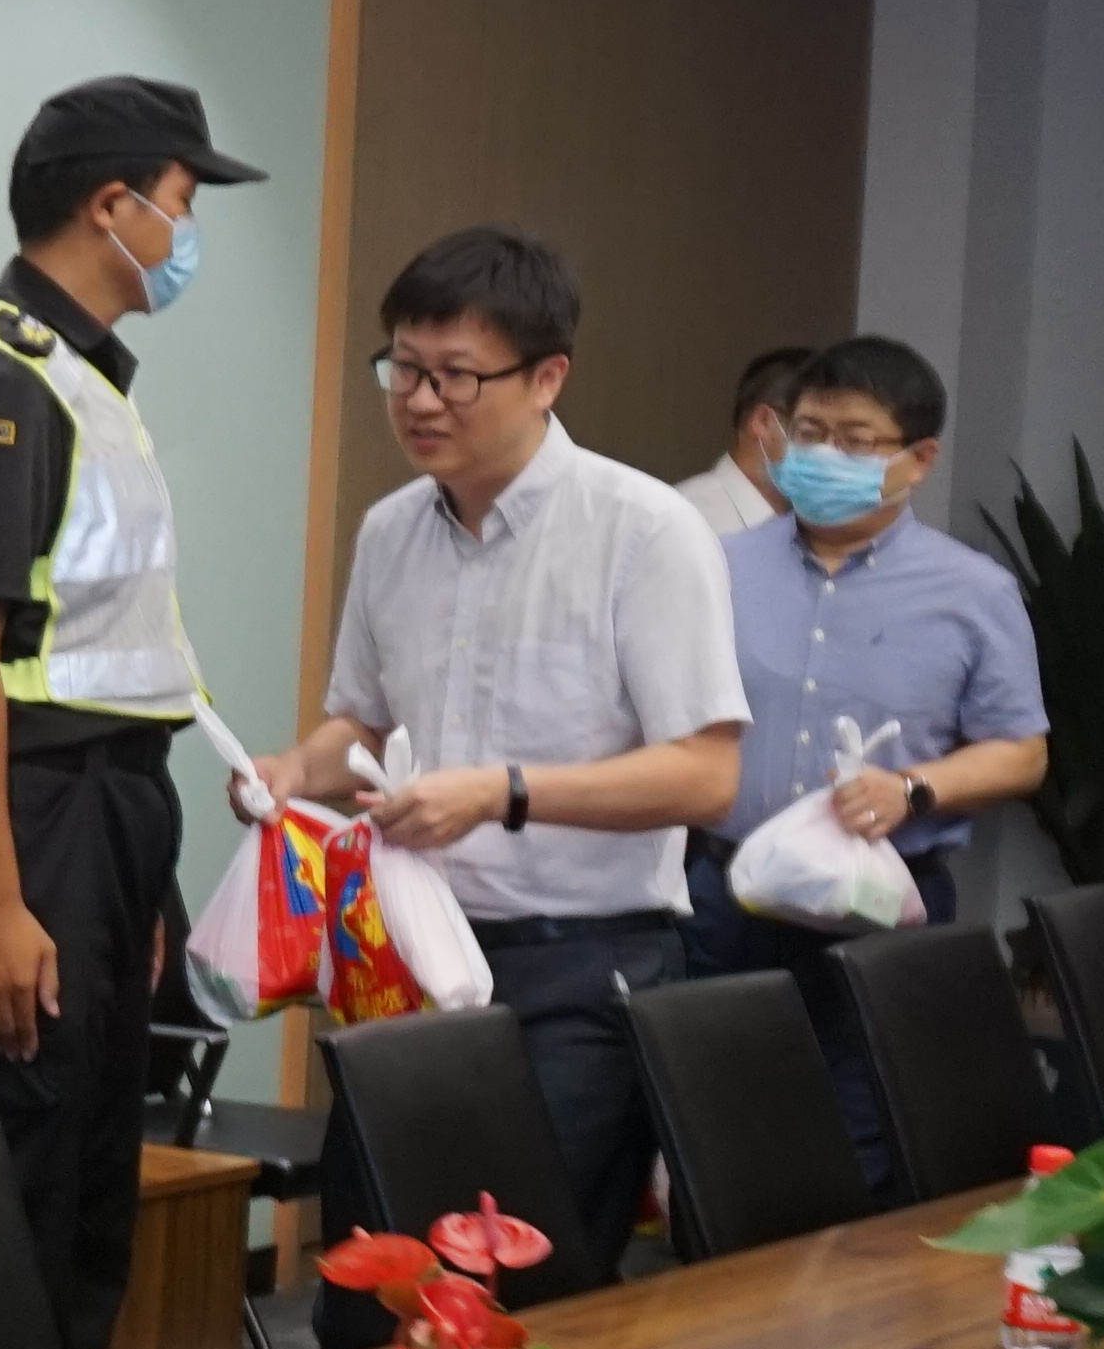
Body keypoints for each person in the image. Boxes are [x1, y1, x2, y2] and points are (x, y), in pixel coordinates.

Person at [0, 76, 265, 1349]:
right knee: (10, 1223)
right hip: (21, 826)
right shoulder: (1, 376)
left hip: (95, 823)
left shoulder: (82, 381)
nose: (188, 235)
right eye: (183, 203)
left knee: (85, 1212)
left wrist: (136, 885)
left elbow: (103, 658)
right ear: (112, 205)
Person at [258, 226, 745, 1262]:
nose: (421, 401)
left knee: (517, 1290)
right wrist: (295, 770)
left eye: (457, 376)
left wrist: (503, 792)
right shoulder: (391, 530)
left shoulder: (646, 531)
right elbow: (366, 723)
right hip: (406, 960)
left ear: (547, 377)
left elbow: (707, 774)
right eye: (403, 369)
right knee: (370, 1276)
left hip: (579, 966)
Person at [683, 332, 1049, 1195]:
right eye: (809, 434)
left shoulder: (973, 592)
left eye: (855, 441)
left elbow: (1021, 753)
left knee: (859, 1143)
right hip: (724, 897)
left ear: (918, 459)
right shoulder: (715, 567)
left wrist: (917, 789)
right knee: (719, 1133)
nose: (823, 457)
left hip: (881, 904)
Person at [676, 346, 812, 538]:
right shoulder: (687, 518)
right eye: (811, 432)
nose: (828, 450)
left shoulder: (815, 526)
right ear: (763, 421)